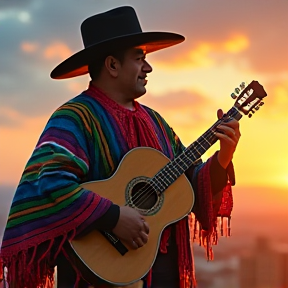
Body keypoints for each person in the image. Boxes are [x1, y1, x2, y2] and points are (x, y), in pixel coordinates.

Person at [0, 6, 240, 288]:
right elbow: (51, 184)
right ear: (112, 65)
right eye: (140, 58)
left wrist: (223, 158)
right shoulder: (75, 118)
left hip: (163, 276)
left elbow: (187, 188)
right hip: (96, 278)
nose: (148, 67)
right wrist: (113, 217)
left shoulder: (156, 123)